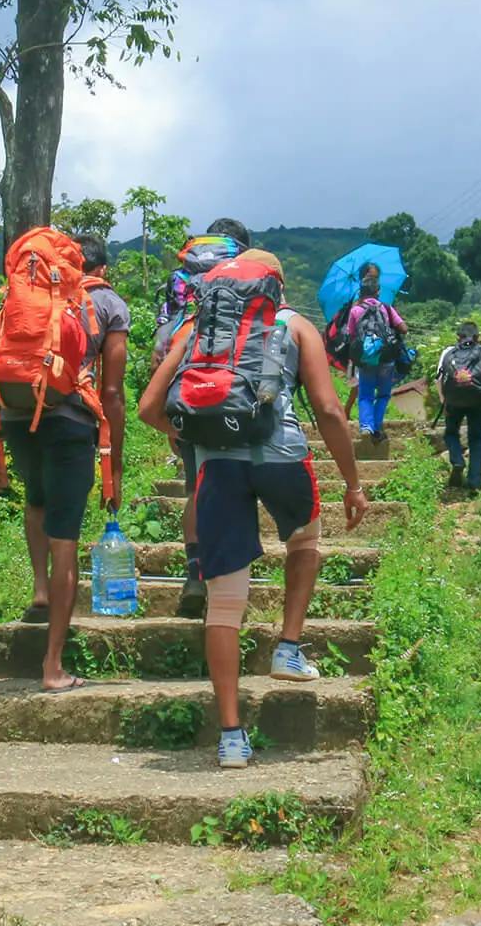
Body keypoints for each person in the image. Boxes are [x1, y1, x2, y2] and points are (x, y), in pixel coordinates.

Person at [139, 248, 369, 769]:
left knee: (224, 604)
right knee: (304, 538)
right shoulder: (293, 324)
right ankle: (288, 645)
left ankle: (231, 737)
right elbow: (331, 410)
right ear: (276, 286)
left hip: (218, 468)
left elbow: (150, 408)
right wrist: (353, 483)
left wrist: (192, 436)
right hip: (282, 455)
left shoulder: (196, 329)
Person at [0, 232, 128, 692]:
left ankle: (40, 592)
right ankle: (53, 666)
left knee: (37, 501)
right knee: (66, 539)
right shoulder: (106, 305)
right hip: (70, 424)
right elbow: (114, 393)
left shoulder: (16, 299)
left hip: (18, 418)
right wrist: (113, 467)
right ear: (96, 268)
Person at [154, 217, 252, 620]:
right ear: (242, 245)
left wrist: (166, 411)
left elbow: (162, 341)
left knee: (196, 489)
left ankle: (195, 575)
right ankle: (228, 581)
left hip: (187, 391)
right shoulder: (250, 273)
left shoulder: (180, 279)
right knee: (239, 488)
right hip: (236, 393)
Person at [342, 263, 407, 440]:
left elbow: (351, 334)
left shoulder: (355, 310)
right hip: (386, 358)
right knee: (384, 394)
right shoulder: (386, 308)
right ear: (377, 291)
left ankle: (366, 427)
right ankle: (377, 426)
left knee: (365, 395)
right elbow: (403, 328)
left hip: (366, 359)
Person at [436, 320, 481, 494]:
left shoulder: (448, 353)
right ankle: (474, 481)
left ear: (458, 336)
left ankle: (457, 459)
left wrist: (444, 401)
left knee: (450, 433)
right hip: (478, 400)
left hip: (454, 400)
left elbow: (438, 380)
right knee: (476, 439)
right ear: (478, 337)